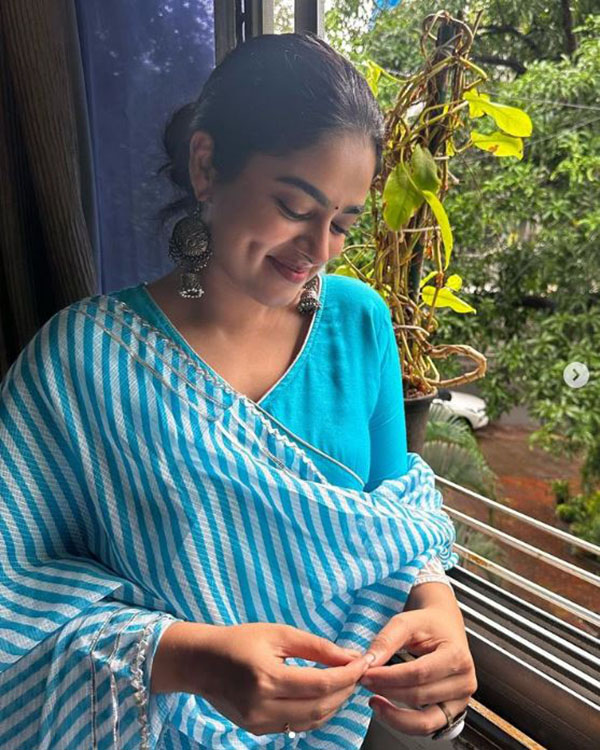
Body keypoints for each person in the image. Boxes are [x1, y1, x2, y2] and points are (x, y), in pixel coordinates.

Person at [0, 32, 476, 749]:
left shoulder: (360, 325)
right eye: (294, 205)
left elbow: (397, 519)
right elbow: (13, 590)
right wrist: (189, 658)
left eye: (343, 223)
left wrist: (439, 607)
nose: (318, 250)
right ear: (206, 165)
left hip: (348, 727)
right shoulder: (83, 362)